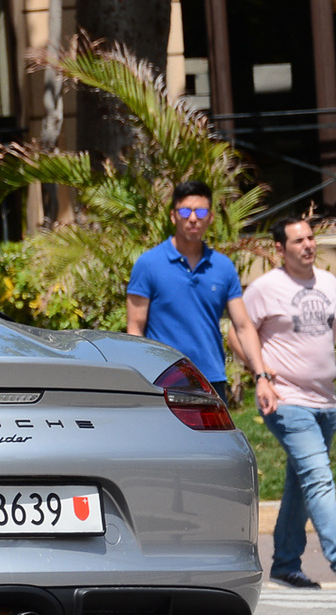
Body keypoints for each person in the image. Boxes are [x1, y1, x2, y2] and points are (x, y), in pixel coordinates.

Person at [126, 179, 278, 409]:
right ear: (173, 216)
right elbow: (135, 328)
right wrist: (140, 378)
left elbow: (243, 326)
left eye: (201, 211)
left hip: (210, 379)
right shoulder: (148, 264)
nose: (193, 218)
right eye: (185, 211)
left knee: (214, 446)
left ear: (211, 217)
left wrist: (261, 376)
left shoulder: (223, 267)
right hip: (162, 380)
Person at [242, 217, 336, 589]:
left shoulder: (329, 283)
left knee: (301, 481)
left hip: (326, 401)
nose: (308, 245)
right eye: (298, 241)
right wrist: (261, 375)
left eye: (311, 238)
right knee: (319, 477)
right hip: (287, 401)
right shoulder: (265, 288)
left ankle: (284, 562)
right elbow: (239, 333)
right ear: (280, 248)